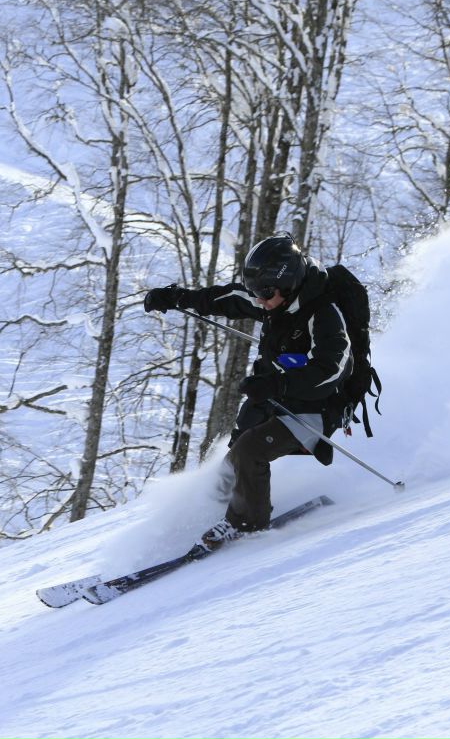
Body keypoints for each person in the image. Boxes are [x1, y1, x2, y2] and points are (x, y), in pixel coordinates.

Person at [143, 233, 353, 550]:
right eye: (256, 293)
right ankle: (211, 511)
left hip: (317, 408)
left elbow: (333, 370)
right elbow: (225, 297)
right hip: (275, 397)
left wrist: (278, 384)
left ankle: (248, 524)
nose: (259, 301)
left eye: (264, 293)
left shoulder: (324, 314)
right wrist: (175, 298)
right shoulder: (273, 300)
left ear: (290, 281)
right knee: (235, 453)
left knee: (250, 451)